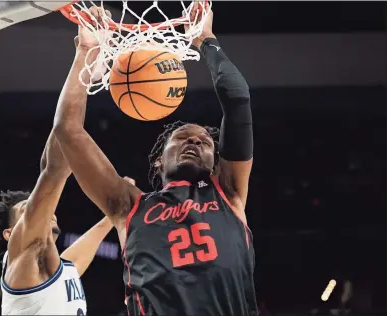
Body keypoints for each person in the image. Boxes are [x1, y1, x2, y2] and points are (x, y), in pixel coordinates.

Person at [54, 5, 256, 316]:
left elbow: (238, 98)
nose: (194, 142)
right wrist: (86, 50)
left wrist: (206, 39)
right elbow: (67, 131)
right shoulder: (128, 206)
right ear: (159, 162)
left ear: (215, 162)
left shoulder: (228, 192)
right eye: (183, 138)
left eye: (204, 142)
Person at [0, 40, 135, 314]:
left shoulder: (59, 269)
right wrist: (84, 62)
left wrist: (114, 215)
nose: (41, 211)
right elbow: (55, 165)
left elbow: (88, 244)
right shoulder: (22, 258)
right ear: (10, 234)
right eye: (25, 210)